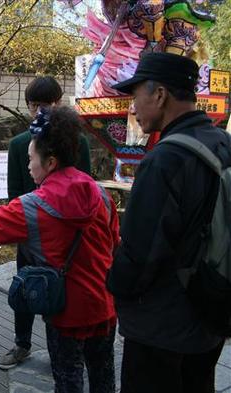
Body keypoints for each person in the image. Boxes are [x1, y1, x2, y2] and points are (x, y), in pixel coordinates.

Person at [0, 106, 119, 393]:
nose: (28, 165)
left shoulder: (32, 207)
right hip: (105, 305)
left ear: (50, 162)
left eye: (31, 159)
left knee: (68, 379)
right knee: (103, 378)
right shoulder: (100, 193)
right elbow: (115, 242)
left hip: (66, 312)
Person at [108, 52, 228, 393]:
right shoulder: (222, 143)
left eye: (136, 97)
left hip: (161, 327)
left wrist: (114, 284)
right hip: (211, 313)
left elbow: (140, 254)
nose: (133, 107)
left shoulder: (165, 159)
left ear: (159, 95)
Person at [2, 76, 93, 369]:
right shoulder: (19, 145)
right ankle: (22, 342)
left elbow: (86, 189)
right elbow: (14, 193)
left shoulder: (78, 142)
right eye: (34, 105)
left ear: (58, 103)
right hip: (30, 231)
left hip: (67, 237)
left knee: (68, 289)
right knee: (24, 287)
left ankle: (71, 344)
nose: (40, 110)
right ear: (28, 107)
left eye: (47, 104)